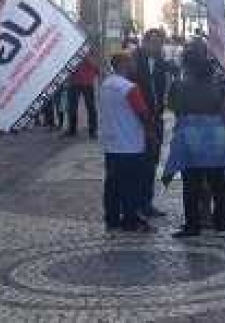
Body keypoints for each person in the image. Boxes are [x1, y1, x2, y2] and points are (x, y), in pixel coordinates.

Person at [164, 39, 225, 238]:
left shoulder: (178, 85)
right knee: (218, 181)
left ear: (187, 65)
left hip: (188, 137)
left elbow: (173, 107)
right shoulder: (219, 83)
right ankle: (221, 222)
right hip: (215, 136)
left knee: (191, 184)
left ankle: (193, 225)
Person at [99, 51, 157, 233]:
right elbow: (143, 113)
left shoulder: (106, 84)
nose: (134, 64)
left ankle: (112, 219)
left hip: (111, 144)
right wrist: (151, 133)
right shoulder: (129, 87)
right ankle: (131, 220)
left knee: (112, 184)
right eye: (131, 61)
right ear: (123, 64)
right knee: (132, 185)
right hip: (131, 144)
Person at [132, 29, 172, 217]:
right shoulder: (133, 61)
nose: (157, 47)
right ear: (145, 42)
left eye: (160, 43)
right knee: (138, 161)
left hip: (156, 117)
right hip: (137, 118)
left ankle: (146, 203)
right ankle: (135, 203)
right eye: (154, 43)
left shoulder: (161, 63)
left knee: (152, 161)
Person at [64, 49, 99, 139]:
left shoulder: (90, 48)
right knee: (71, 107)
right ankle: (72, 129)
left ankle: (93, 131)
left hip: (87, 81)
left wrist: (85, 56)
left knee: (90, 107)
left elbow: (96, 65)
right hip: (73, 81)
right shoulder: (71, 46)